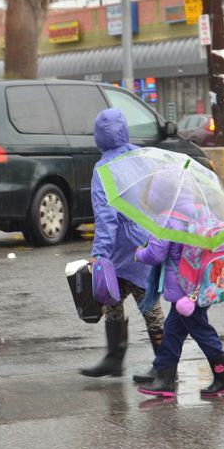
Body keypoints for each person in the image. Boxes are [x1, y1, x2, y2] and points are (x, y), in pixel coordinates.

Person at [80, 108, 166, 381]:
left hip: (121, 249)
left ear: (98, 137)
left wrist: (99, 255)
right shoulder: (143, 158)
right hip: (146, 240)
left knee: (131, 300)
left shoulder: (103, 169)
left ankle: (162, 366)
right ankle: (120, 358)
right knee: (125, 299)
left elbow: (106, 217)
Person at [134, 174, 224, 397]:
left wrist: (139, 253)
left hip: (182, 289)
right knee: (172, 332)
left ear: (161, 194)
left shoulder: (167, 217)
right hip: (202, 283)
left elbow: (156, 254)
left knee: (202, 332)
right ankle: (164, 378)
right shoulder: (201, 211)